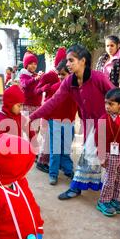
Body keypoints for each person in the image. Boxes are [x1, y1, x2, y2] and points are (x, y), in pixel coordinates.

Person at [30, 44, 120, 200]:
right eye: (67, 61)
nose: (68, 64)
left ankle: (78, 188)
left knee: (94, 155)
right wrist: (32, 116)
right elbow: (53, 102)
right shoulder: (68, 82)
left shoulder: (98, 78)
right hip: (89, 123)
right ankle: (92, 188)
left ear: (83, 61)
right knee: (91, 155)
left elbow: (117, 95)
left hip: (106, 123)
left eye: (71, 61)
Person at [95, 88, 120, 217]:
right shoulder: (102, 119)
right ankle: (104, 201)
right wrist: (101, 156)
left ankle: (114, 198)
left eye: (111, 104)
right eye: (106, 103)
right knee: (110, 178)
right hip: (109, 153)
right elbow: (98, 139)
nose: (107, 107)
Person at [33, 47, 68, 175]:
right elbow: (37, 90)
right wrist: (48, 88)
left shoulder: (69, 76)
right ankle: (42, 162)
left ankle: (54, 162)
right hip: (49, 109)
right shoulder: (49, 75)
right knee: (47, 137)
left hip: (61, 111)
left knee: (57, 139)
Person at [44, 59, 77, 185]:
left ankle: (68, 170)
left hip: (70, 123)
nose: (60, 77)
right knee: (55, 149)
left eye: (63, 74)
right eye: (59, 74)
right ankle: (53, 174)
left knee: (66, 149)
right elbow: (48, 104)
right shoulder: (55, 88)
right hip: (55, 122)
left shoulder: (76, 90)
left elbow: (81, 106)